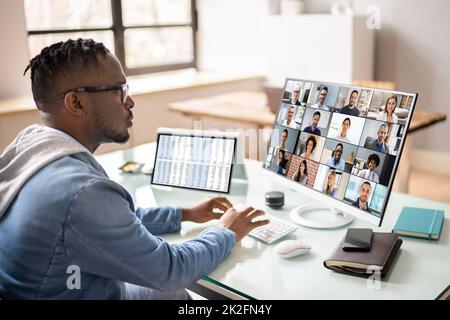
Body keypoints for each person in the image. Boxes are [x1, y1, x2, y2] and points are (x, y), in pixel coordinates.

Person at [0, 39, 269, 300]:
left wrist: (184, 214)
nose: (130, 102)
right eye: (119, 91)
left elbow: (110, 219)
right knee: (174, 289)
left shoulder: (31, 145)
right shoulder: (82, 191)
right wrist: (227, 232)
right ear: (76, 103)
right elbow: (171, 270)